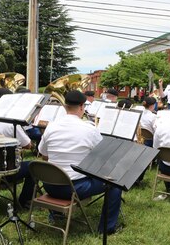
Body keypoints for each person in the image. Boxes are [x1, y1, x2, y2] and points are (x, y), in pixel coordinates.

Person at [38, 90, 122, 234]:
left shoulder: (50, 127)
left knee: (59, 168)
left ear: (65, 107)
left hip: (49, 185)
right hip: (74, 189)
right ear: (82, 106)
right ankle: (107, 229)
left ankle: (56, 214)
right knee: (115, 184)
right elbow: (103, 157)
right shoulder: (89, 129)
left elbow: (44, 155)